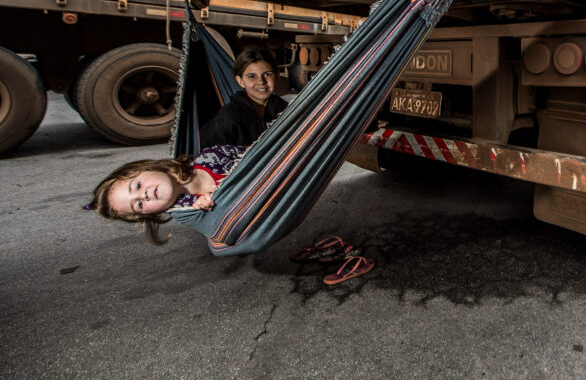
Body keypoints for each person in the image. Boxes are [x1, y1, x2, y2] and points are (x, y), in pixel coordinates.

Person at [89, 144, 374, 285]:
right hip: (260, 208)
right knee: (220, 248)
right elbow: (222, 229)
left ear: (145, 168)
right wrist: (202, 205)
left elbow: (257, 154)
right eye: (138, 204)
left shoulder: (210, 157)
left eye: (137, 186)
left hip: (276, 175)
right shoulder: (185, 209)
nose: (144, 194)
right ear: (147, 216)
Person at [199, 46, 288, 148]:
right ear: (240, 81)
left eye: (267, 74)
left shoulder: (286, 111)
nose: (261, 81)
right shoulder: (229, 118)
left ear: (277, 76)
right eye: (252, 76)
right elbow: (206, 153)